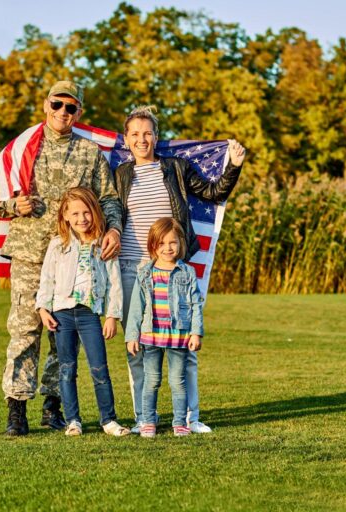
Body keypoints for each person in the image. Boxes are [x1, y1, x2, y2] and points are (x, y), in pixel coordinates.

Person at [0, 81, 123, 436]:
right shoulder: (22, 149)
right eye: (57, 104)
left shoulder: (90, 152)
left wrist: (113, 229)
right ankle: (16, 409)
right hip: (30, 255)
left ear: (79, 113)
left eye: (71, 107)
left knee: (62, 337)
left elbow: (109, 198)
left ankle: (53, 406)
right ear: (46, 105)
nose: (63, 112)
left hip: (73, 256)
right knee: (24, 331)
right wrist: (11, 206)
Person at [115, 105, 246, 434]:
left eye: (147, 133)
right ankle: (144, 419)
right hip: (132, 269)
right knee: (139, 347)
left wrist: (234, 165)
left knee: (184, 347)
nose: (141, 139)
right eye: (135, 134)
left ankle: (190, 418)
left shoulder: (175, 168)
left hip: (173, 270)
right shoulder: (120, 174)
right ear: (126, 140)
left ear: (156, 137)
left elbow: (215, 193)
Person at [36, 187, 130, 437]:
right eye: (75, 213)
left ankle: (108, 420)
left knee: (99, 368)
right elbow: (47, 278)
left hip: (90, 315)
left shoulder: (104, 244)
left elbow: (114, 282)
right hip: (62, 314)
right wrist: (43, 308)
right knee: (67, 368)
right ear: (65, 216)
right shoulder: (58, 245)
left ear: (95, 213)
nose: (82, 219)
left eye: (86, 212)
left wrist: (112, 315)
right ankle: (73, 421)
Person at [124, 218, 203, 437]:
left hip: (178, 336)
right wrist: (132, 336)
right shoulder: (146, 273)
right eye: (161, 243)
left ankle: (180, 422)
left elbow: (196, 304)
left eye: (172, 243)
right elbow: (136, 308)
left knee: (177, 381)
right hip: (150, 336)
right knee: (152, 380)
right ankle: (148, 421)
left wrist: (196, 332)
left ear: (180, 244)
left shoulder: (187, 273)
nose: (167, 248)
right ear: (153, 245)